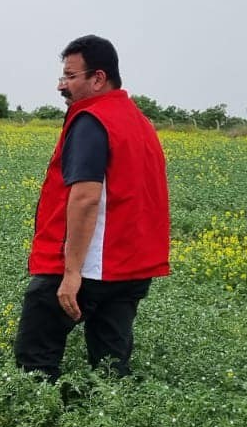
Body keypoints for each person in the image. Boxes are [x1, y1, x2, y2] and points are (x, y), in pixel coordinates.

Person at [13, 35, 170, 380]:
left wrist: (71, 274)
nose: (61, 85)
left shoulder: (92, 120)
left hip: (89, 266)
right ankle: (110, 426)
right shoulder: (139, 122)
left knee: (35, 362)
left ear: (98, 78)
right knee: (111, 369)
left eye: (70, 77)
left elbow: (85, 197)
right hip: (130, 268)